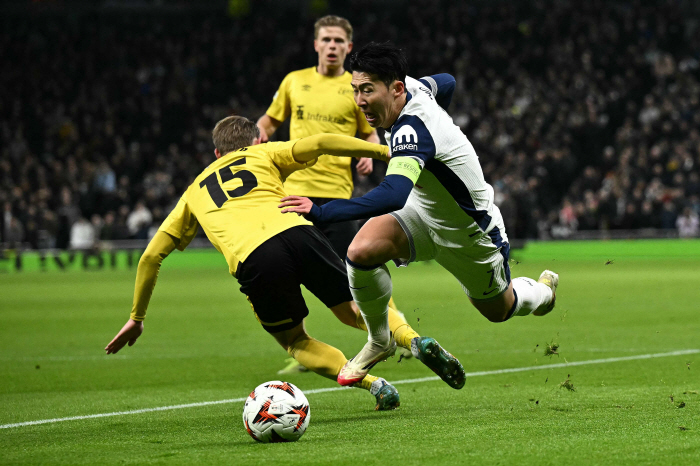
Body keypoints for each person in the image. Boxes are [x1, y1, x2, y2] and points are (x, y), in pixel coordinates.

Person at [280, 42, 558, 387]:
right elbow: (448, 81)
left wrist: (322, 211)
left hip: (470, 234)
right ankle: (380, 339)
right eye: (355, 89)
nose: (360, 100)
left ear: (396, 88)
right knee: (360, 251)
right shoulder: (413, 88)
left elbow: (393, 194)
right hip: (422, 212)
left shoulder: (413, 129)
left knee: (500, 310)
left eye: (367, 90)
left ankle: (544, 293)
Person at [105, 116, 427, 410]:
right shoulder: (263, 153)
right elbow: (321, 142)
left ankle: (374, 384)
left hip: (256, 257)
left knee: (296, 340)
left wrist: (137, 316)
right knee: (355, 310)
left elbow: (150, 256)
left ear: (217, 153)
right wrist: (385, 152)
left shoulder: (193, 192)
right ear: (256, 140)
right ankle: (413, 340)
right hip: (300, 232)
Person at [257, 15, 409, 374]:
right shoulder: (294, 82)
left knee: (353, 274)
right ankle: (303, 345)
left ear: (348, 47)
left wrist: (368, 152)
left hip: (337, 199)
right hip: (291, 196)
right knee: (284, 274)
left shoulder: (357, 86)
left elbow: (369, 133)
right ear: (315, 44)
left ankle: (399, 329)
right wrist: (258, 135)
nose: (332, 46)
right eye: (326, 39)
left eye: (339, 41)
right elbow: (268, 121)